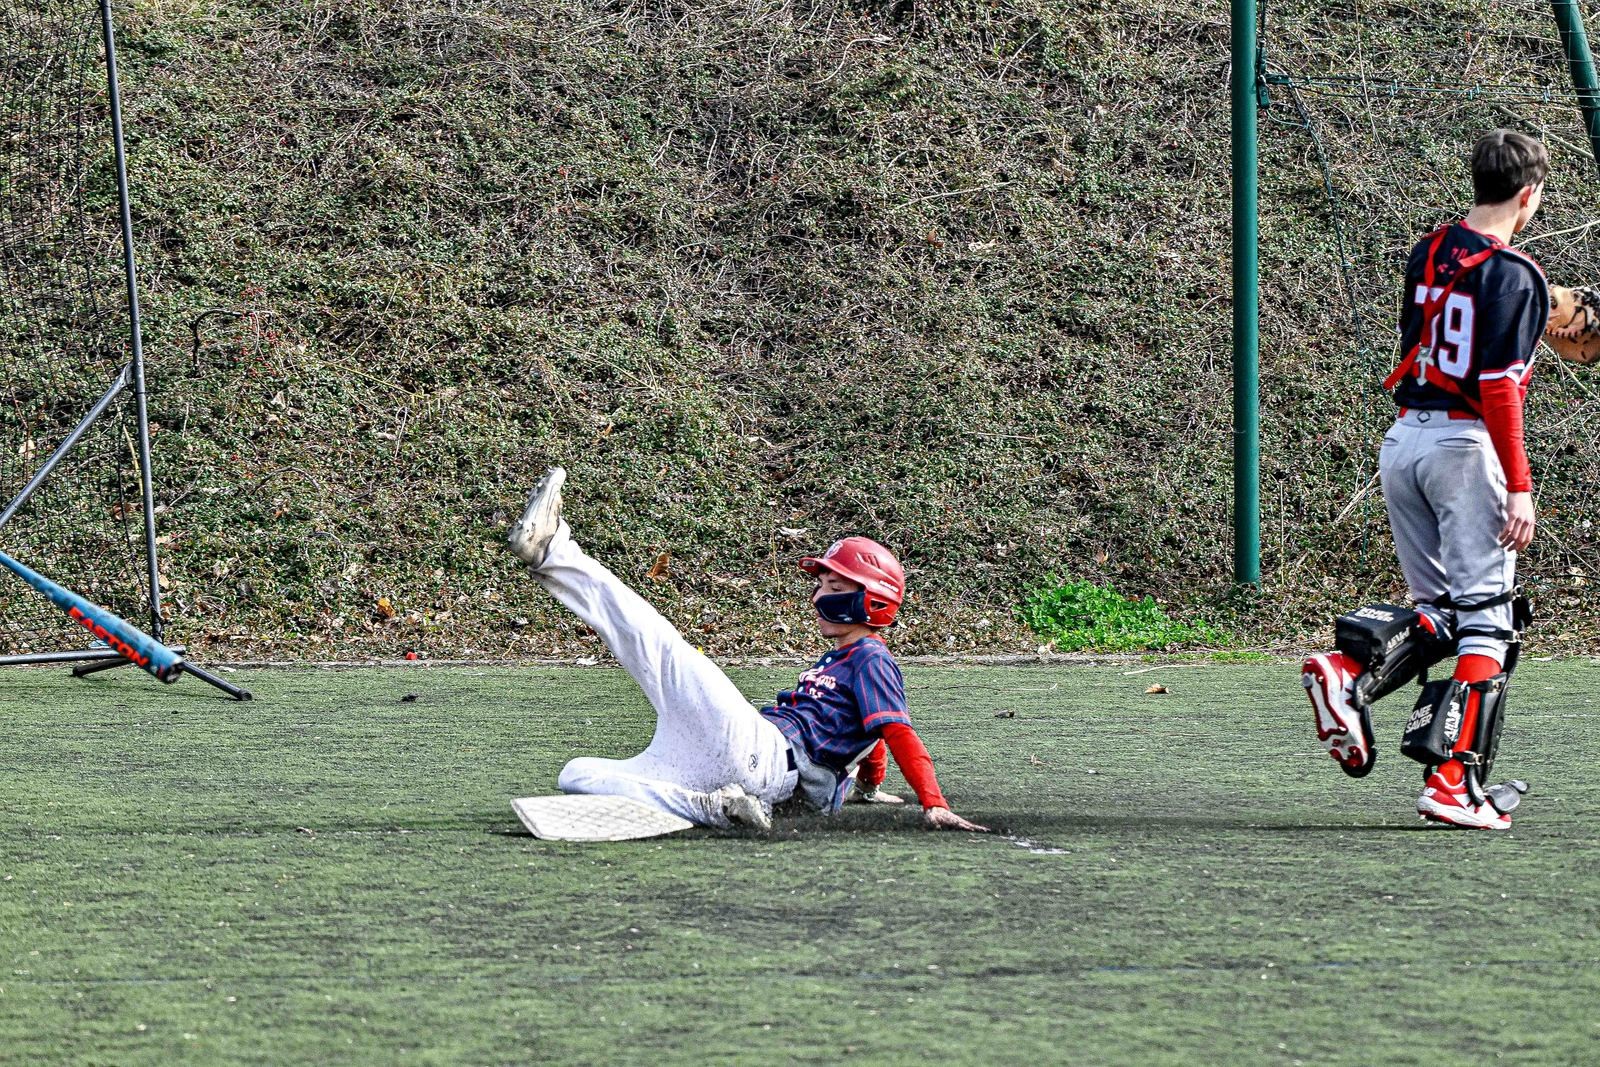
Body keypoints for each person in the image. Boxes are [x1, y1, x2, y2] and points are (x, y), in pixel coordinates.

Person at [506, 466, 989, 834]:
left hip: (767, 758)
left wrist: (934, 802)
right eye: (820, 581)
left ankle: (553, 552)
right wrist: (869, 787)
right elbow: (872, 733)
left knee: (665, 648)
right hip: (735, 767)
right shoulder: (843, 660)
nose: (820, 593)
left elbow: (895, 729)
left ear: (873, 600)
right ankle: (711, 808)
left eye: (835, 582)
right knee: (576, 774)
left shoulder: (870, 658)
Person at [1302, 129, 1550, 830]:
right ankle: (1452, 782)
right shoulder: (1518, 274)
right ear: (1528, 195)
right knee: (1489, 624)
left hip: (1404, 439)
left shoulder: (1429, 248)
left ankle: (1351, 677)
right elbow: (1499, 385)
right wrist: (1521, 485)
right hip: (1465, 451)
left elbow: (1449, 326)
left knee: (1439, 609)